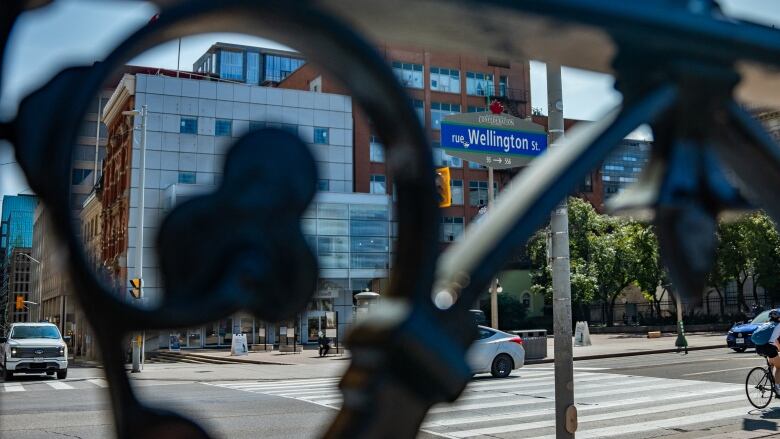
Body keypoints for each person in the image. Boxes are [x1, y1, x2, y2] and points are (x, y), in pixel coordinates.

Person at [752, 309, 780, 394]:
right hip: (769, 348)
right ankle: (777, 388)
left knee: (772, 363)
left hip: (758, 347)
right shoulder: (778, 325)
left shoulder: (765, 324)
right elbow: (776, 341)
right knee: (779, 367)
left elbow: (773, 340)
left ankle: (770, 376)